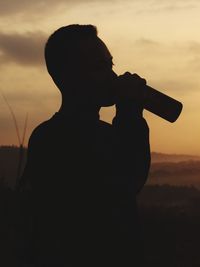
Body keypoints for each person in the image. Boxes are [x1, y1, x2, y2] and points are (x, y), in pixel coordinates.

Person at [18, 24, 151, 266]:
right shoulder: (55, 139)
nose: (112, 77)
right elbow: (129, 179)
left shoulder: (62, 134)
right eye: (100, 67)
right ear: (69, 75)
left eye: (111, 65)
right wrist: (130, 112)